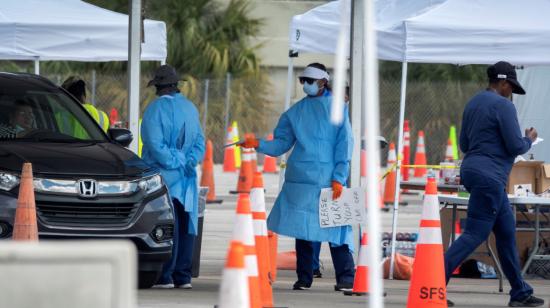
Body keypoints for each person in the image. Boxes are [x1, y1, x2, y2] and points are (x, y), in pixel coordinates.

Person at [241, 62, 355, 291]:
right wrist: (258, 144)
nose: (305, 85)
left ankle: (346, 278)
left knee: (338, 229)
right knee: (303, 231)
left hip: (331, 178)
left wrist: (339, 176)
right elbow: (281, 143)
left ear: (323, 81)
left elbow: (345, 144)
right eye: (303, 81)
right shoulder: (295, 112)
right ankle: (304, 277)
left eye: (310, 81)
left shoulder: (339, 109)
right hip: (302, 179)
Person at [444, 61, 544, 307]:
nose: (511, 92)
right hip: (491, 177)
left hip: (473, 171)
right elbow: (514, 146)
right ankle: (432, 284)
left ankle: (520, 292)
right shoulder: (504, 106)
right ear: (502, 83)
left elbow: (465, 145)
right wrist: (528, 140)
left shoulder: (473, 103)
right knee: (474, 234)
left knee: (506, 233)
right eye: (511, 87)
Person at [141, 65, 205, 289]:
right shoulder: (190, 108)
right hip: (187, 177)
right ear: (176, 85)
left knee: (168, 226)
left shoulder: (154, 110)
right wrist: (188, 161)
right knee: (187, 224)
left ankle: (165, 276)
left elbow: (154, 145)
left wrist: (175, 162)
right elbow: (199, 143)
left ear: (158, 87)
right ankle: (183, 276)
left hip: (164, 177)